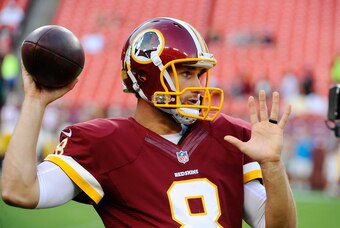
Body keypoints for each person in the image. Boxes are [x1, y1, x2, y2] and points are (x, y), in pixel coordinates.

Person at [1, 17, 296, 227]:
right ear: (147, 76)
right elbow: (19, 191)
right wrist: (35, 102)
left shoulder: (230, 137)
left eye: (199, 74)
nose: (197, 86)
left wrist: (273, 166)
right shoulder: (104, 142)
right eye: (185, 73)